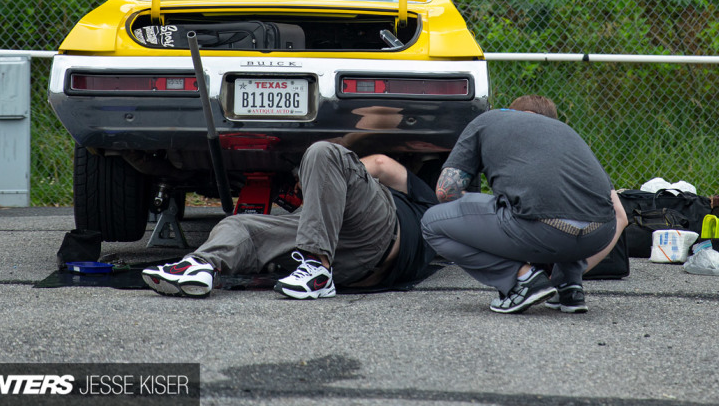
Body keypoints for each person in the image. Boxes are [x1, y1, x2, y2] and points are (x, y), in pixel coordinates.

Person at [142, 141, 437, 299]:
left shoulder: (423, 202)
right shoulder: (433, 227)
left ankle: (315, 267)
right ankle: (201, 266)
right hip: (353, 269)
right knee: (241, 224)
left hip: (375, 235)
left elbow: (382, 165)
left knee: (324, 153)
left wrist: (323, 177)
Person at [420, 95, 628, 314]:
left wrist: (485, 218)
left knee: (432, 223)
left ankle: (523, 280)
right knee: (567, 207)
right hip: (598, 235)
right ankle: (569, 285)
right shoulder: (569, 134)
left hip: (541, 232)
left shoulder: (489, 119)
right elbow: (619, 215)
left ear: (514, 112)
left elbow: (445, 191)